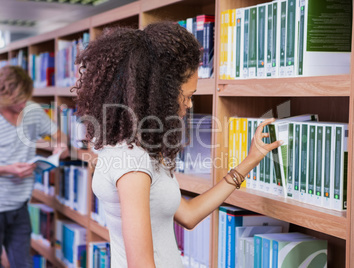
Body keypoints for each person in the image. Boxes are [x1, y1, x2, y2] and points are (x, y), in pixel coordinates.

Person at [72, 22, 282, 267]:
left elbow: (189, 215)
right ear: (162, 94)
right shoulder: (133, 163)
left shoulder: (136, 149)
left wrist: (250, 160)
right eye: (188, 96)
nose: (190, 105)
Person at [0, 66, 68, 267]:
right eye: (18, 99)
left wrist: (61, 145)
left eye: (25, 97)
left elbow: (59, 135)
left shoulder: (31, 111)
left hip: (20, 203)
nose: (23, 103)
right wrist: (8, 169)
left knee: (24, 263)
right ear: (3, 96)